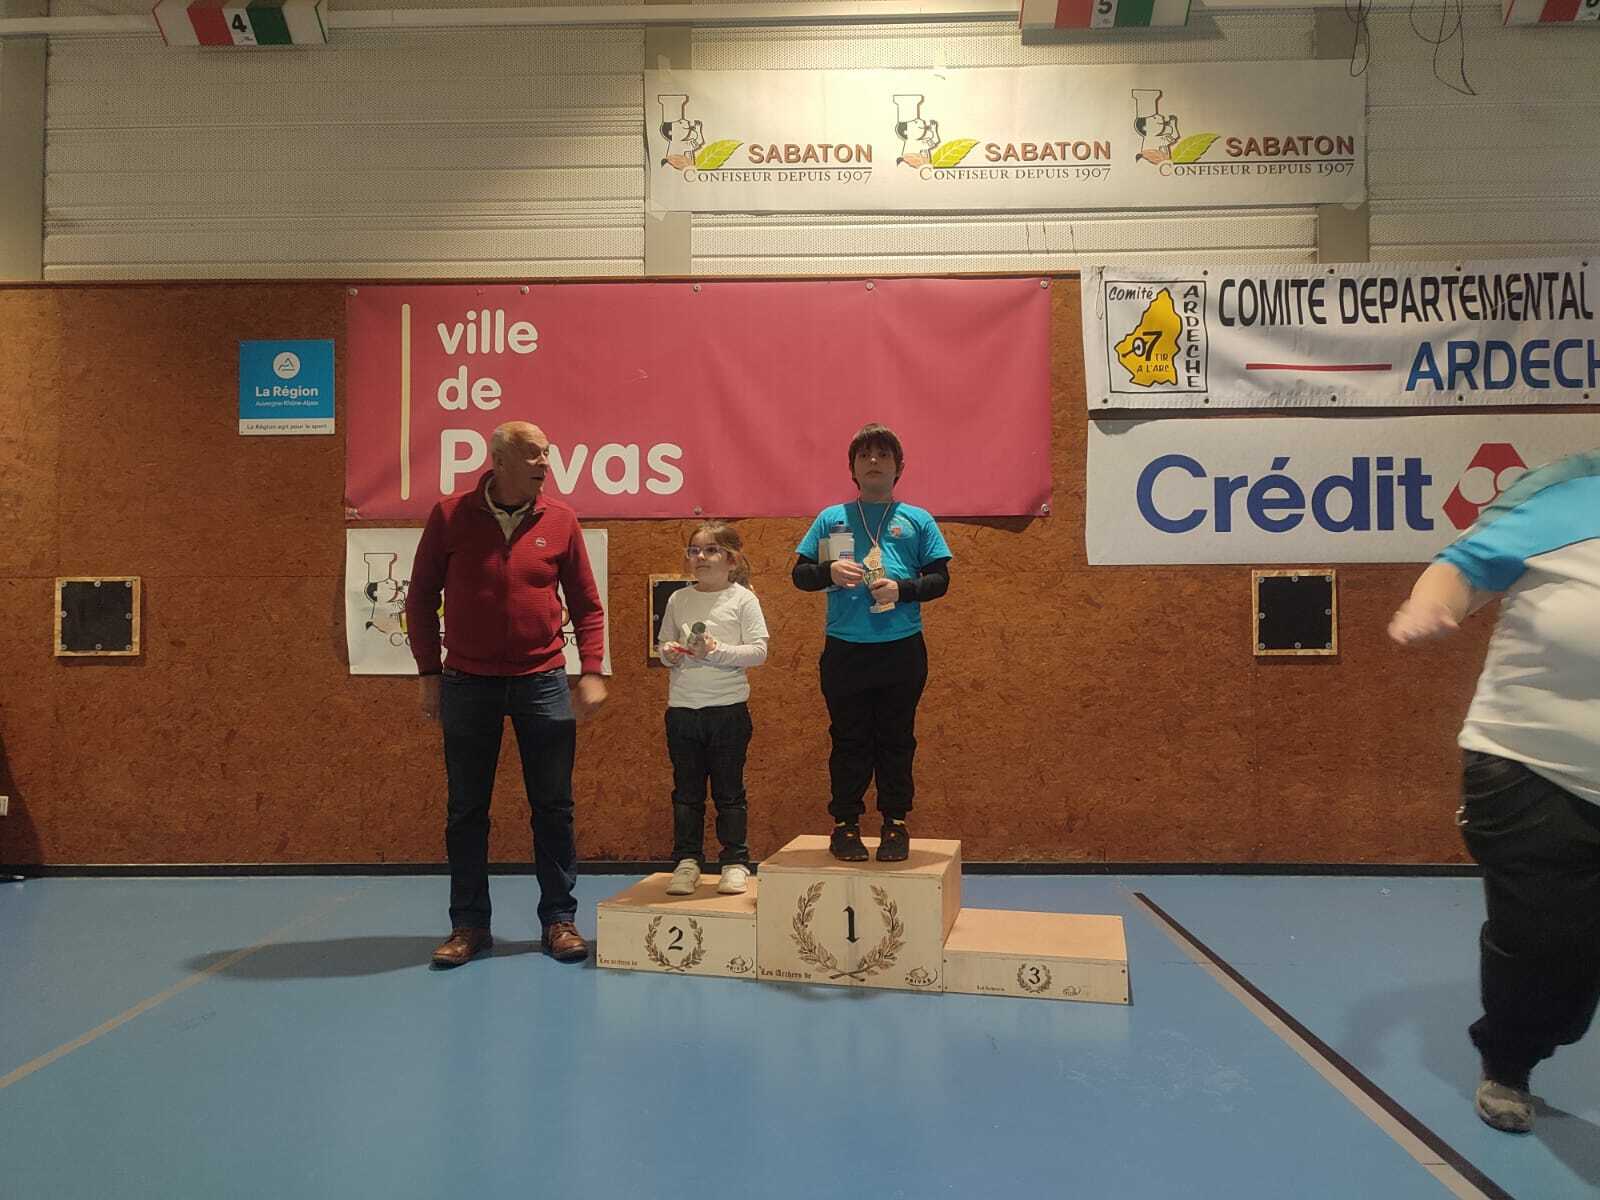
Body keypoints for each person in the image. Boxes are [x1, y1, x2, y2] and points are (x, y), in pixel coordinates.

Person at [1389, 450, 1600, 1133]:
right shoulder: (1569, 492)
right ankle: (1509, 1060)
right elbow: (1463, 568)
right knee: (1548, 953)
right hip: (1537, 767)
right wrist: (1431, 604)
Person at [407, 420, 607, 968]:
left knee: (554, 806)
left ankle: (559, 919)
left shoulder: (561, 520)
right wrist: (428, 674)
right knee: (466, 810)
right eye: (534, 454)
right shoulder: (449, 516)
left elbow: (587, 605)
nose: (545, 463)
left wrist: (591, 670)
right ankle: (469, 925)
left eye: (547, 453)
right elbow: (420, 599)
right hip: (466, 682)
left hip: (543, 680)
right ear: (499, 460)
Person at [792, 423, 952, 863]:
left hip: (902, 648)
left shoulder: (918, 519)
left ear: (899, 467)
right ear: (852, 469)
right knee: (849, 740)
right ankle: (845, 825)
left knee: (897, 739)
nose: (874, 462)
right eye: (865, 456)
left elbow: (940, 580)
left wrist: (903, 589)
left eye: (883, 455)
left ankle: (895, 823)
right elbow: (800, 576)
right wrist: (827, 572)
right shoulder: (832, 519)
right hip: (845, 649)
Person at [657, 522, 770, 896]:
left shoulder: (743, 599)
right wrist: (670, 653)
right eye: (694, 551)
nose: (701, 557)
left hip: (727, 711)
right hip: (682, 710)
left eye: (710, 550)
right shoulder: (678, 599)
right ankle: (687, 860)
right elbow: (664, 645)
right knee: (686, 793)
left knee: (729, 792)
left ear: (731, 559)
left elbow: (758, 651)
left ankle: (735, 861)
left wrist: (715, 651)